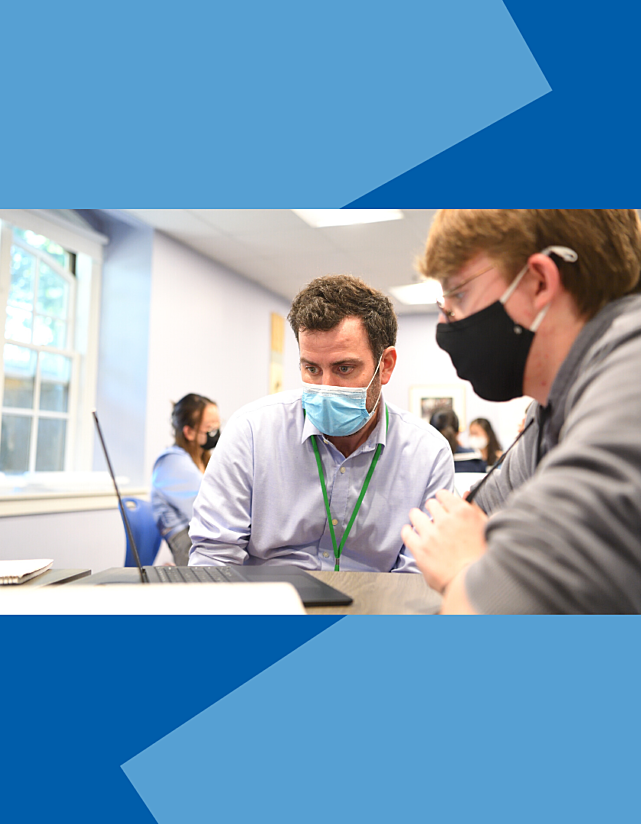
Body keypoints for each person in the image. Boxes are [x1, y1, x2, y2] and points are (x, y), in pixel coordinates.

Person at [401, 209, 641, 614]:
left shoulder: (630, 373)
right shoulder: (550, 413)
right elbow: (464, 520)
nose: (446, 323)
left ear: (539, 282)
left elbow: (501, 603)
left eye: (457, 295)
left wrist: (464, 569)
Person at [190, 274, 454, 572]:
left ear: (386, 366)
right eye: (311, 368)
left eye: (344, 368)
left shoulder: (428, 455)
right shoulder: (250, 433)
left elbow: (419, 578)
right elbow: (213, 560)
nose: (326, 386)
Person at [151, 393, 221, 566]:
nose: (216, 432)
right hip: (189, 545)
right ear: (189, 432)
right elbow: (210, 506)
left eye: (218, 425)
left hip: (201, 540)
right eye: (209, 427)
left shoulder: (203, 458)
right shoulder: (172, 462)